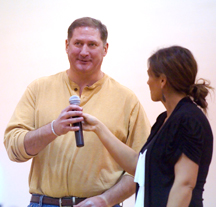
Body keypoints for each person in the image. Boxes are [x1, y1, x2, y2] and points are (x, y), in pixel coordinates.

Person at [4, 17, 151, 207]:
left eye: (92, 44)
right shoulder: (38, 89)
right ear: (66, 45)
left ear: (105, 49)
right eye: (78, 43)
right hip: (43, 203)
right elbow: (13, 149)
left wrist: (106, 199)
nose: (84, 52)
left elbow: (143, 167)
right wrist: (53, 129)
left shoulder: (126, 99)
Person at [80, 46, 214, 207]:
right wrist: (98, 128)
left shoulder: (188, 119)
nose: (147, 81)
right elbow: (140, 166)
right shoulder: (164, 120)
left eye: (150, 75)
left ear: (162, 81)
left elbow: (185, 184)